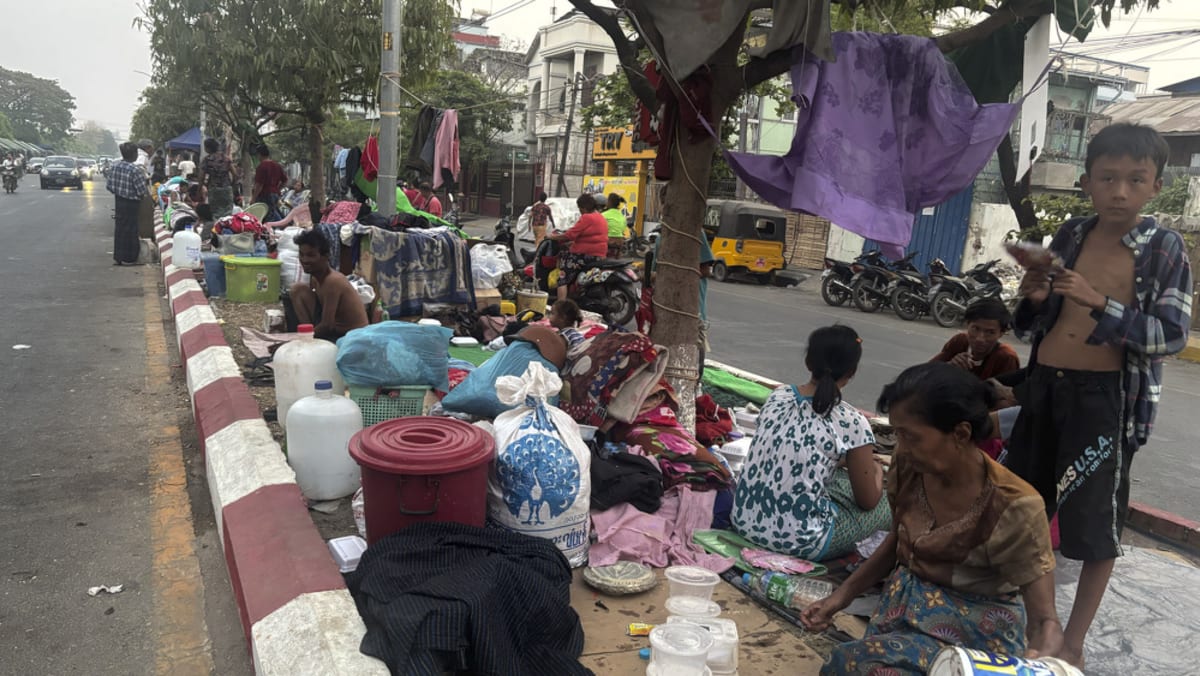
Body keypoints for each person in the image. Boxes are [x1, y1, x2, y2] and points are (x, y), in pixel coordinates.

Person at [1005, 122, 1192, 668]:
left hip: (1103, 401)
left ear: (1156, 186)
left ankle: (1076, 638)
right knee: (1026, 510)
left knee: (1093, 526)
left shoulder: (1163, 247)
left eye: (1136, 180)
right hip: (1045, 390)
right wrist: (1036, 294)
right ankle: (1042, 622)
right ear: (1087, 182)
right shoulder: (1071, 235)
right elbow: (1037, 322)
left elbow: (1171, 335)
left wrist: (1096, 301)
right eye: (1108, 178)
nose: (1120, 192)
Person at [802, 362, 1062, 674]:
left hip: (972, 639)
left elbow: (1045, 620)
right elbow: (898, 539)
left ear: (960, 433)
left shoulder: (1015, 506)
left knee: (850, 664)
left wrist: (1042, 660)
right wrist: (838, 599)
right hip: (903, 612)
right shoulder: (911, 466)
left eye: (910, 436)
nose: (901, 447)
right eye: (898, 434)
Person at [732, 325, 889, 559]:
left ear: (808, 362)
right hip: (802, 542)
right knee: (885, 505)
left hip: (743, 521)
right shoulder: (852, 421)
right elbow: (867, 501)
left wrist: (841, 461)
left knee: (838, 481)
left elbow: (795, 451)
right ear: (852, 371)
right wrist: (876, 469)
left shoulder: (778, 395)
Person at [286, 229, 369, 342]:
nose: (304, 260)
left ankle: (307, 339)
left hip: (348, 336)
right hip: (333, 329)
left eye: (311, 255)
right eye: (301, 254)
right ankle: (307, 334)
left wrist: (295, 342)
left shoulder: (333, 281)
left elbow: (327, 325)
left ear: (325, 256)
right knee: (297, 290)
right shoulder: (315, 277)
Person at [930, 298, 1020, 381]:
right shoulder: (959, 341)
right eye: (975, 329)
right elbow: (926, 372)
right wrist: (949, 366)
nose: (980, 338)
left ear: (1001, 333)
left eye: (990, 332)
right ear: (967, 324)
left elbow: (1005, 395)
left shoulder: (1006, 358)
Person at [547, 194, 608, 302]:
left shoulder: (586, 217)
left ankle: (560, 304)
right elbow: (588, 236)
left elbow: (570, 235)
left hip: (584, 254)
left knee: (562, 276)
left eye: (580, 209)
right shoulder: (600, 217)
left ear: (584, 207)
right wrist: (571, 243)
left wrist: (553, 237)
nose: (580, 211)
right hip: (600, 254)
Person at [106, 142, 151, 266]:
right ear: (133, 154)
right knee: (131, 229)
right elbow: (142, 191)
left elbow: (109, 186)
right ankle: (130, 258)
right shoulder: (135, 170)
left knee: (120, 228)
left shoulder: (114, 166)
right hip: (132, 203)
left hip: (119, 201)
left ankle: (119, 256)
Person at [198, 138, 235, 219]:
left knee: (215, 213)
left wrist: (199, 190)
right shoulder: (226, 158)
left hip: (214, 189)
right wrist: (230, 184)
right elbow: (234, 174)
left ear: (208, 148)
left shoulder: (206, 160)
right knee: (228, 213)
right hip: (226, 188)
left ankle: (217, 229)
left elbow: (201, 178)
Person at [253, 144, 288, 221]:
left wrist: (253, 198)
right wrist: (277, 189)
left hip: (265, 195)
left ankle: (277, 227)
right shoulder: (277, 165)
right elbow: (285, 180)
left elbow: (259, 185)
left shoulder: (262, 166)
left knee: (267, 216)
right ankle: (284, 223)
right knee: (273, 212)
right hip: (275, 194)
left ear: (259, 154)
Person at [602, 193, 629, 257]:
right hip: (619, 243)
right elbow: (622, 230)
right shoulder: (622, 216)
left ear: (610, 202)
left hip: (607, 241)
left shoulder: (604, 215)